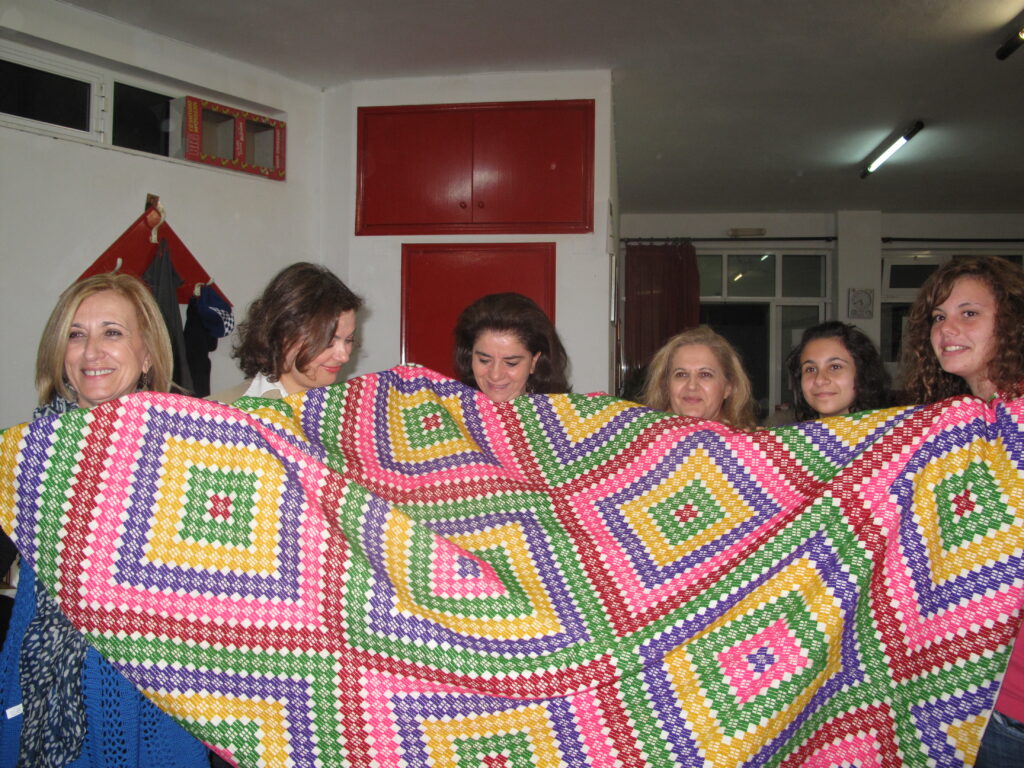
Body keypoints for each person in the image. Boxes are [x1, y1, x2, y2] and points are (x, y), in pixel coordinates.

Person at [0, 273, 211, 768]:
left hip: (157, 699)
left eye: (112, 332)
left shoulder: (192, 456)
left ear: (148, 354)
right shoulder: (26, 457)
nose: (91, 351)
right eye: (76, 334)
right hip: (40, 689)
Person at [899, 256, 1024, 768]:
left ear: (1011, 322)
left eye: (969, 313)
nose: (947, 329)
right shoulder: (953, 431)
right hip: (970, 701)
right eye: (938, 316)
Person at [216, 262, 363, 402]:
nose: (344, 356)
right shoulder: (226, 413)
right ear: (282, 335)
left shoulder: (351, 410)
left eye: (348, 340)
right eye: (328, 343)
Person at [453, 293, 570, 402]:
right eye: (484, 360)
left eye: (511, 363)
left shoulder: (562, 414)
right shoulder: (451, 411)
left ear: (534, 362)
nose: (495, 375)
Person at [641, 326, 757, 429]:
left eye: (705, 374)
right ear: (666, 385)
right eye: (681, 374)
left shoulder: (747, 444)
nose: (691, 386)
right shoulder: (643, 439)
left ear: (728, 387)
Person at [786, 321, 891, 420]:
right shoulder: (788, 432)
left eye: (835, 367)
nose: (819, 380)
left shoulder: (893, 431)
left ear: (863, 373)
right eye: (810, 369)